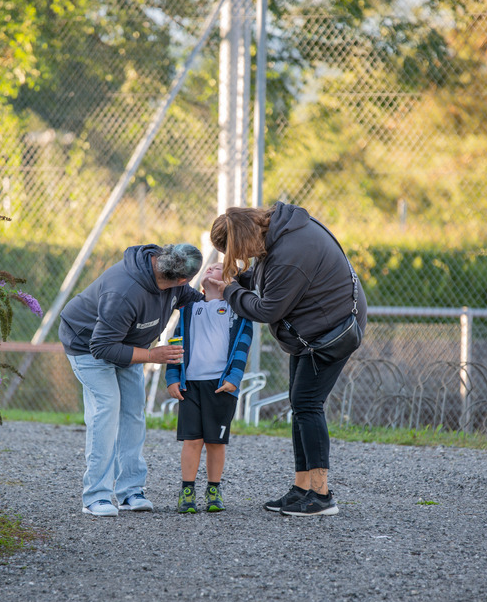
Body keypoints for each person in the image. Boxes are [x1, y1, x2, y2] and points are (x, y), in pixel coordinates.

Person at [205, 202, 367, 517]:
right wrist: (239, 279)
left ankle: (320, 496)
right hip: (319, 327)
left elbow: (268, 310)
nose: (241, 258)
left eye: (237, 251)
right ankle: (302, 489)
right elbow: (268, 275)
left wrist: (228, 291)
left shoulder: (290, 254)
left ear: (244, 237)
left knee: (307, 404)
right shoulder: (282, 230)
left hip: (333, 331)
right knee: (300, 402)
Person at [60, 243, 204, 517]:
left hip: (127, 344)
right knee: (107, 407)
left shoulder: (172, 281)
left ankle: (130, 492)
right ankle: (96, 496)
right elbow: (101, 347)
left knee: (133, 411)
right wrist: (152, 355)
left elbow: (193, 299)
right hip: (87, 344)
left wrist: (221, 293)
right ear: (179, 275)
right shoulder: (124, 292)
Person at [165, 261, 254, 514]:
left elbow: (242, 347)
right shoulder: (189, 309)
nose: (210, 269)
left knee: (216, 442)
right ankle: (187, 491)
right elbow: (176, 342)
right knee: (192, 440)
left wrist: (234, 379)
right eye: (210, 267)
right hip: (190, 385)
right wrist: (172, 377)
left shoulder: (239, 310)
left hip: (221, 386)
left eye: (218, 268)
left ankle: (214, 490)